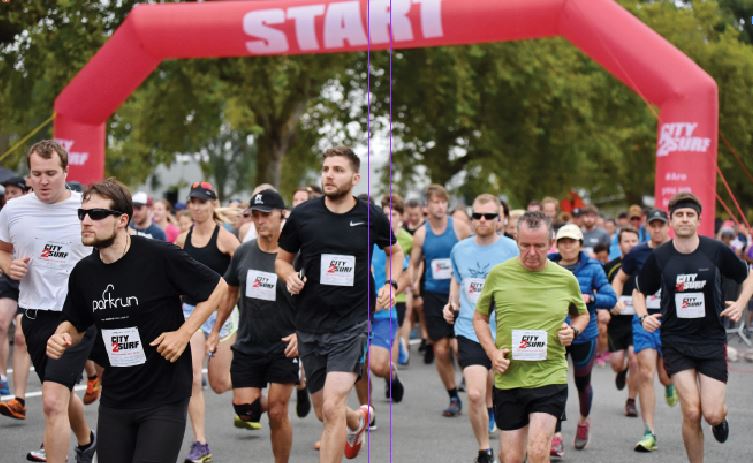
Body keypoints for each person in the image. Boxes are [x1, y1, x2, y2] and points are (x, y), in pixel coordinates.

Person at [46, 178, 227, 463]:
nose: (86, 221)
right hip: (116, 397)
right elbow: (75, 323)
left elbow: (218, 287)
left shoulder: (158, 255)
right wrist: (61, 335)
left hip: (163, 397)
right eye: (82, 214)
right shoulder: (84, 272)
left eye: (97, 214)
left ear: (122, 219)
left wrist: (183, 334)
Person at [276, 146, 403, 462]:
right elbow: (282, 260)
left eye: (338, 169)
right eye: (326, 169)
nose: (329, 175)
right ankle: (357, 420)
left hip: (353, 322)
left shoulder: (370, 215)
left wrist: (391, 282)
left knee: (332, 406)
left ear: (355, 178)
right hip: (310, 324)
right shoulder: (303, 216)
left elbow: (395, 253)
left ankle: (348, 420)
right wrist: (289, 276)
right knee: (323, 410)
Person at [636, 193, 752, 463]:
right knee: (690, 411)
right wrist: (644, 317)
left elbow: (748, 276)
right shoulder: (660, 257)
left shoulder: (715, 251)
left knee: (711, 413)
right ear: (671, 221)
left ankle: (721, 417)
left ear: (699, 220)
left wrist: (741, 302)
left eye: (690, 214)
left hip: (711, 340)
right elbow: (640, 291)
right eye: (679, 215)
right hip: (676, 341)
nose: (685, 219)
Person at [0, 140, 96, 463]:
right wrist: (7, 265)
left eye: (51, 173)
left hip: (76, 317)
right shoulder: (13, 209)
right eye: (36, 174)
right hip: (35, 315)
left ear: (66, 172)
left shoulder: (86, 208)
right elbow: (2, 250)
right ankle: (86, 440)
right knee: (61, 394)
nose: (43, 181)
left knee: (52, 400)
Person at [473, 211, 589, 463]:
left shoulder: (566, 279)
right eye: (525, 245)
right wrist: (492, 352)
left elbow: (582, 315)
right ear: (516, 240)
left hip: (549, 375)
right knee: (510, 458)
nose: (532, 252)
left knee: (537, 453)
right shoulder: (499, 275)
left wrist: (574, 330)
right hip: (510, 378)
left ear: (551, 243)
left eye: (539, 245)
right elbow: (479, 318)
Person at [209, 188, 298, 463]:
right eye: (255, 215)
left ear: (281, 215)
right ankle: (268, 399)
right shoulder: (244, 251)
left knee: (276, 412)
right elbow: (231, 293)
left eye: (266, 215)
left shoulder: (296, 255)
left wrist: (302, 333)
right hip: (249, 343)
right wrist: (215, 331)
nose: (260, 221)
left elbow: (314, 299)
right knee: (245, 409)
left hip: (284, 344)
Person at [443, 194, 518, 463]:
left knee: (503, 392)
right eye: (477, 216)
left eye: (488, 216)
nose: (482, 220)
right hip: (470, 328)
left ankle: (507, 436)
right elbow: (457, 279)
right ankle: (484, 450)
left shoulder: (512, 249)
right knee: (474, 393)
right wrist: (450, 304)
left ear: (500, 219)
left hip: (506, 331)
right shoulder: (460, 249)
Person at [176, 180, 240, 463]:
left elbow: (242, 274)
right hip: (191, 312)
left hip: (222, 313)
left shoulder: (225, 239)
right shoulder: (181, 239)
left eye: (203, 201)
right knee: (191, 378)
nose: (198, 206)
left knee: (219, 383)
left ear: (213, 205)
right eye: (194, 201)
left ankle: (248, 384)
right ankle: (200, 443)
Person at [548, 224, 616, 457]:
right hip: (554, 335)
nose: (567, 246)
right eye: (563, 241)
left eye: (572, 241)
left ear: (580, 244)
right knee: (554, 386)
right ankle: (555, 435)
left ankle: (584, 421)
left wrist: (590, 297)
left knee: (581, 383)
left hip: (584, 334)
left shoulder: (593, 267)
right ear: (557, 244)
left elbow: (611, 298)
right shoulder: (548, 265)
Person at [612, 208, 677, 452]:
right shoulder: (637, 252)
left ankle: (669, 384)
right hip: (644, 319)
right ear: (647, 227)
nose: (658, 228)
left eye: (662, 224)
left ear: (667, 225)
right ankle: (649, 432)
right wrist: (615, 299)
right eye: (653, 224)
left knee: (664, 375)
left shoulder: (679, 249)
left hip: (673, 321)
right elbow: (620, 278)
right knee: (645, 373)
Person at [409, 184, 471, 417]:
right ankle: (453, 395)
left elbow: (474, 253)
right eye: (434, 202)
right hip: (434, 295)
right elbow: (414, 265)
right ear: (427, 206)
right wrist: (412, 287)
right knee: (441, 350)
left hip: (461, 293)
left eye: (443, 202)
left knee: (459, 347)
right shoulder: (422, 234)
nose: (439, 206)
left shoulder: (460, 228)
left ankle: (472, 380)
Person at [604, 226, 641, 418]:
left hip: (637, 319)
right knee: (618, 363)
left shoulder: (645, 264)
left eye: (634, 240)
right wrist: (608, 304)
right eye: (626, 241)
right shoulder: (610, 267)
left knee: (636, 359)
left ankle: (631, 401)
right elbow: (601, 290)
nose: (631, 244)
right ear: (619, 245)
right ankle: (622, 370)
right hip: (617, 322)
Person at [0, 176, 27, 396]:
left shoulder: (31, 213)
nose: (9, 196)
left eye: (13, 192)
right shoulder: (5, 216)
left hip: (32, 284)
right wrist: (6, 265)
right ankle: (2, 378)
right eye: (6, 192)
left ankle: (20, 394)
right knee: (1, 323)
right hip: (10, 280)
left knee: (21, 336)